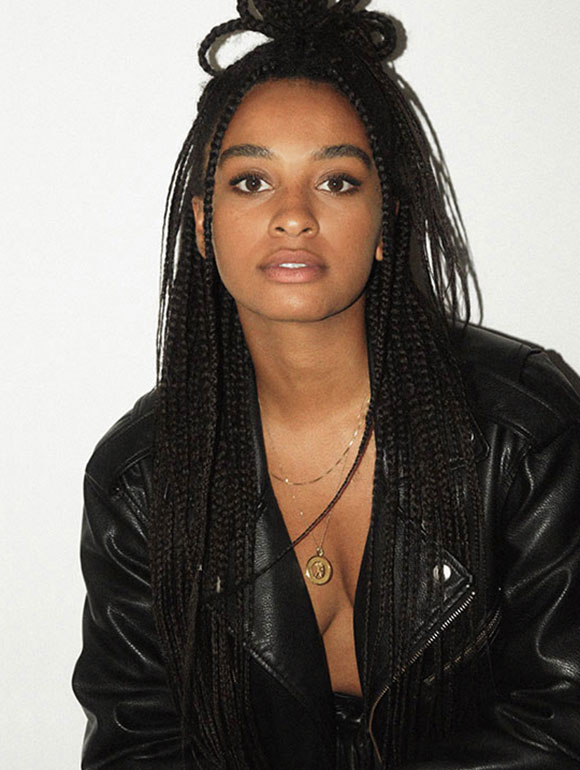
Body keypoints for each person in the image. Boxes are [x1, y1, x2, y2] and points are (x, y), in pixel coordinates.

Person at [72, 1, 580, 768]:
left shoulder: (525, 435)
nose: (293, 216)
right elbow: (137, 746)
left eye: (337, 181)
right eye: (251, 181)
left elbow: (560, 725)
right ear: (203, 224)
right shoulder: (143, 479)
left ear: (386, 221)